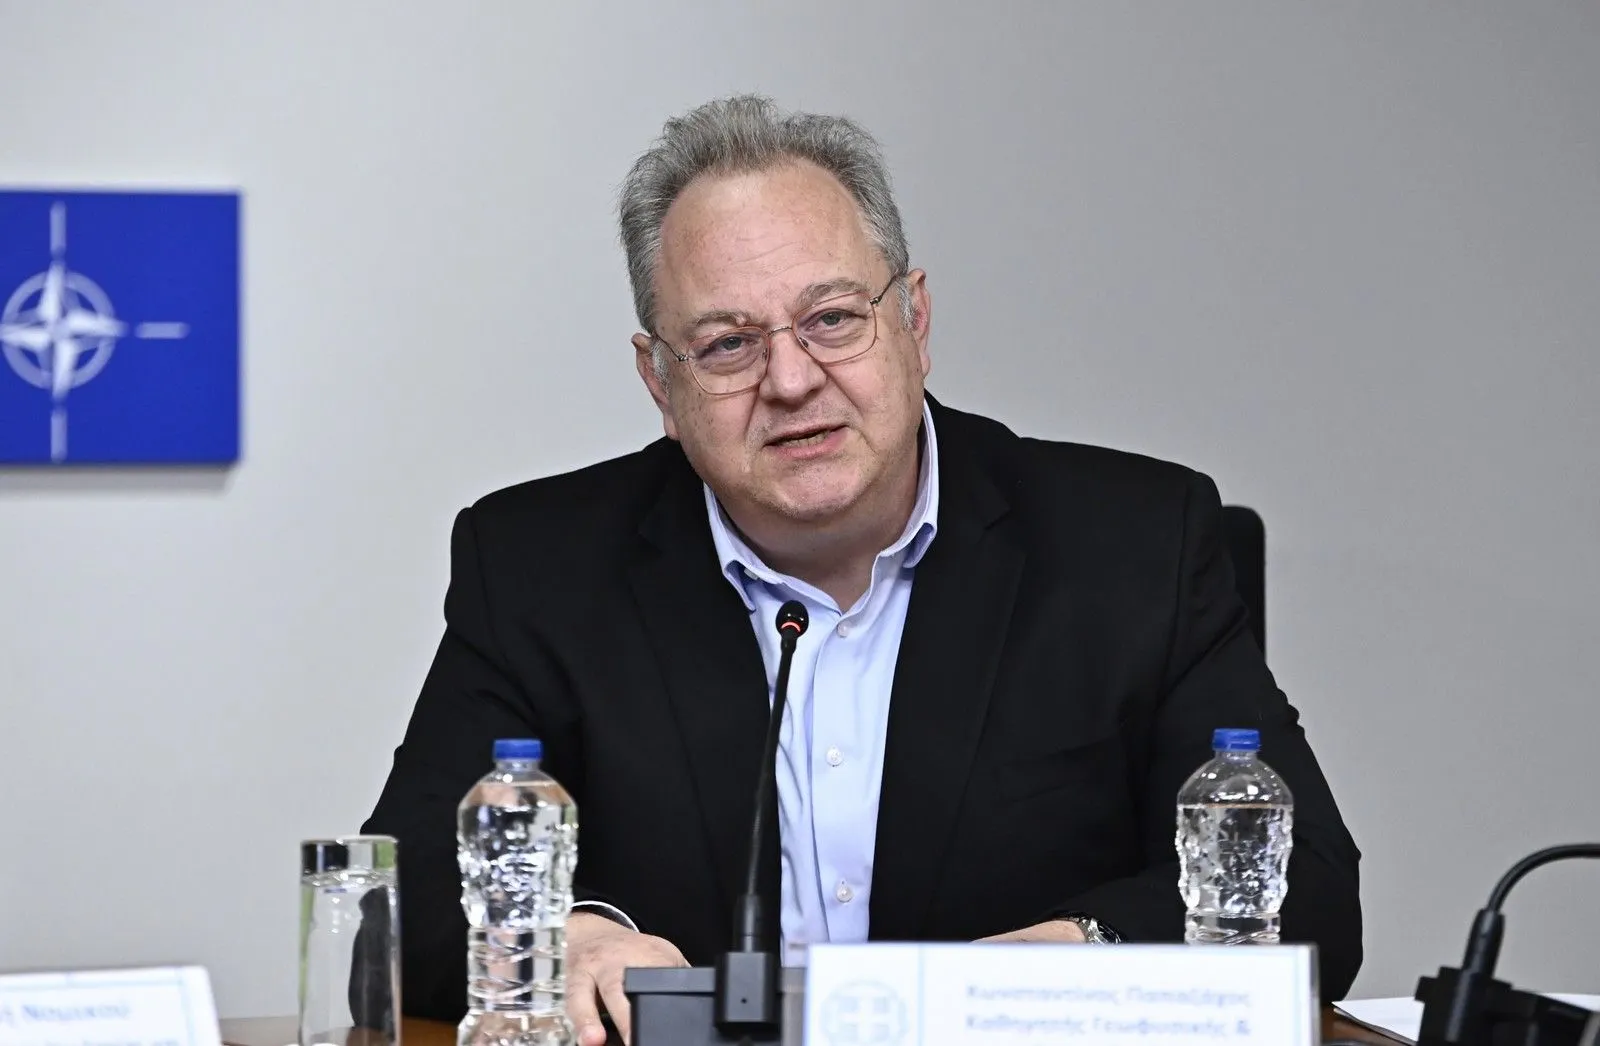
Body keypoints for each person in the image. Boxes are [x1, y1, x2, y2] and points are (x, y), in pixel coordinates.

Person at [362, 95, 1362, 1045]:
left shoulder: (1131, 546)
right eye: (728, 344)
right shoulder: (540, 564)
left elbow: (1308, 888)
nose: (792, 380)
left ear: (913, 321)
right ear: (660, 380)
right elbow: (395, 903)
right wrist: (569, 935)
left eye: (832, 318)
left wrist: (1072, 956)